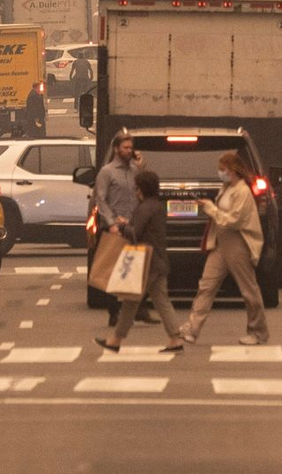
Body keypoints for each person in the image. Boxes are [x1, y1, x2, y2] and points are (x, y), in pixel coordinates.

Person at [179, 151, 269, 346]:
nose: (220, 173)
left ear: (233, 170)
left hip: (238, 242)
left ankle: (257, 331)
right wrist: (211, 208)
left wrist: (211, 209)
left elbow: (235, 220)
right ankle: (192, 329)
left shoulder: (243, 191)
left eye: (223, 169)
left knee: (248, 289)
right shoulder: (226, 188)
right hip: (220, 242)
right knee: (206, 286)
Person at [96, 169, 184, 354]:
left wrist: (122, 224)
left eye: (136, 187)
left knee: (130, 302)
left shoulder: (145, 207)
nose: (135, 191)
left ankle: (115, 340)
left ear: (141, 189)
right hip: (158, 259)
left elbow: (135, 232)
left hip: (146, 260)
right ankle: (175, 338)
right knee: (161, 300)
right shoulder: (157, 206)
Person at [94, 133, 150, 326]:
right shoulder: (107, 172)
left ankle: (138, 309)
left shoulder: (134, 170)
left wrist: (142, 168)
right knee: (113, 272)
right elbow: (100, 199)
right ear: (116, 149)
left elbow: (143, 192)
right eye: (125, 147)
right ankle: (113, 313)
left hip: (132, 226)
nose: (129, 151)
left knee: (135, 269)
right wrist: (111, 223)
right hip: (115, 227)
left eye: (130, 147)